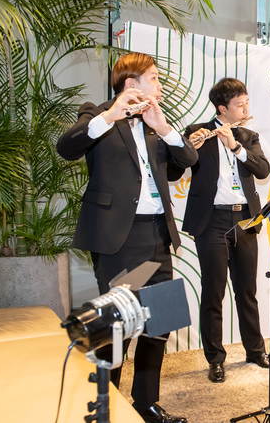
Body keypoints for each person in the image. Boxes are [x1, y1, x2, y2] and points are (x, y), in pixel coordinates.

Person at [56, 52, 197, 423]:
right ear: (131, 83)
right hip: (119, 237)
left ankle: (146, 402)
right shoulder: (98, 113)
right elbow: (66, 147)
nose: (160, 86)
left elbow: (187, 161)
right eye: (155, 78)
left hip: (158, 233)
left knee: (160, 322)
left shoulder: (154, 122)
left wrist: (164, 128)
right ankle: (109, 403)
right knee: (118, 324)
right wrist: (111, 115)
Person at [168, 78, 270, 384]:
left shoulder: (248, 136)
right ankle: (215, 359)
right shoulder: (196, 131)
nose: (246, 109)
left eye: (247, 103)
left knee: (247, 290)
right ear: (222, 108)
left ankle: (255, 351)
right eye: (240, 104)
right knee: (213, 292)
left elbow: (263, 170)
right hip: (211, 220)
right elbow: (174, 170)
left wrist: (235, 147)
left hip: (245, 219)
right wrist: (189, 147)